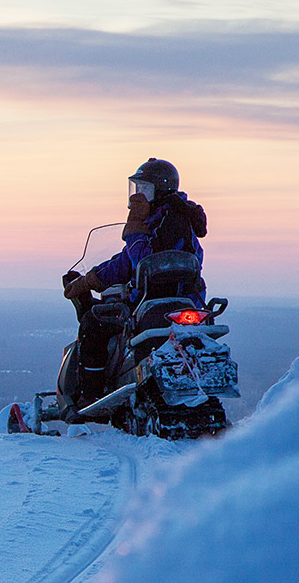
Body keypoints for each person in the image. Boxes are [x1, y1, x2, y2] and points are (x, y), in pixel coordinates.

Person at [62, 158, 208, 406]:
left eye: (144, 189)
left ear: (159, 190)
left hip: (154, 302)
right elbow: (125, 262)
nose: (138, 196)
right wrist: (91, 279)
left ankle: (92, 396)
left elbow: (144, 263)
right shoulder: (168, 218)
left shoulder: (169, 222)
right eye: (136, 188)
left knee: (92, 323)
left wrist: (135, 231)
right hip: (186, 301)